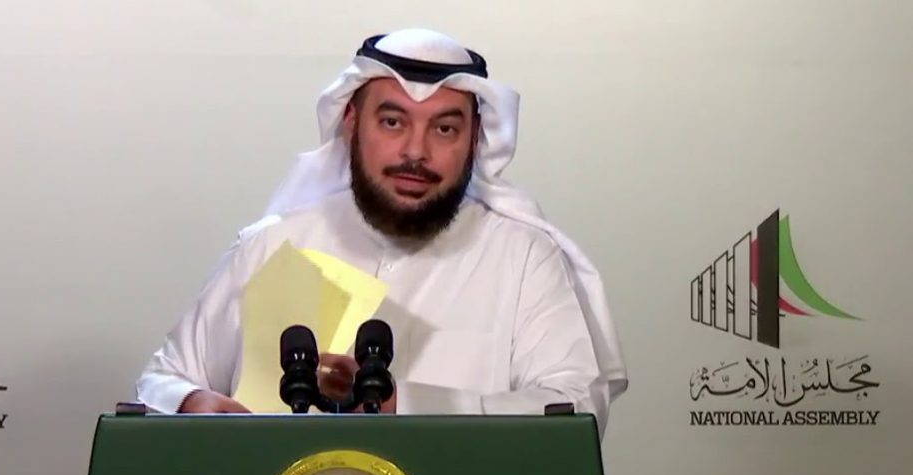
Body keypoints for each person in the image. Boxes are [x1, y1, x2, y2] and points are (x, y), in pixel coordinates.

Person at [135, 28, 628, 434]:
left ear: (475, 139)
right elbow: (162, 381)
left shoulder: (523, 258)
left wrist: (404, 405)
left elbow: (573, 409)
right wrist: (190, 403)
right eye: (393, 122)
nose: (415, 151)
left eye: (444, 129)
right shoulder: (272, 246)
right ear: (352, 122)